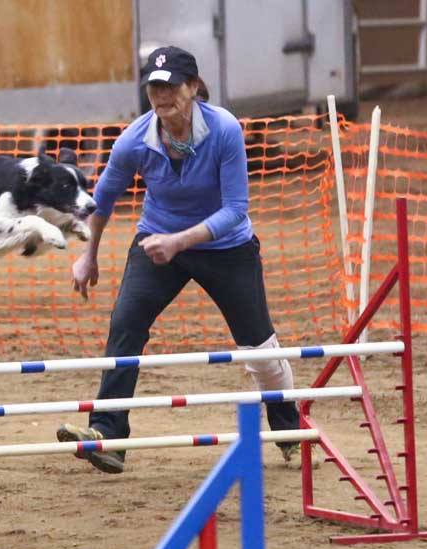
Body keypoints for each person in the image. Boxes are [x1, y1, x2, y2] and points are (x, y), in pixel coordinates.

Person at [56, 46, 301, 474]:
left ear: (193, 87)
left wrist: (180, 241)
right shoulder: (135, 139)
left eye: (170, 86)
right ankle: (107, 435)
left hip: (225, 247)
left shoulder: (224, 129)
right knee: (125, 325)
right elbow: (103, 199)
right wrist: (87, 255)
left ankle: (288, 429)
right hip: (158, 241)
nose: (161, 95)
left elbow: (235, 208)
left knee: (259, 350)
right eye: (154, 86)